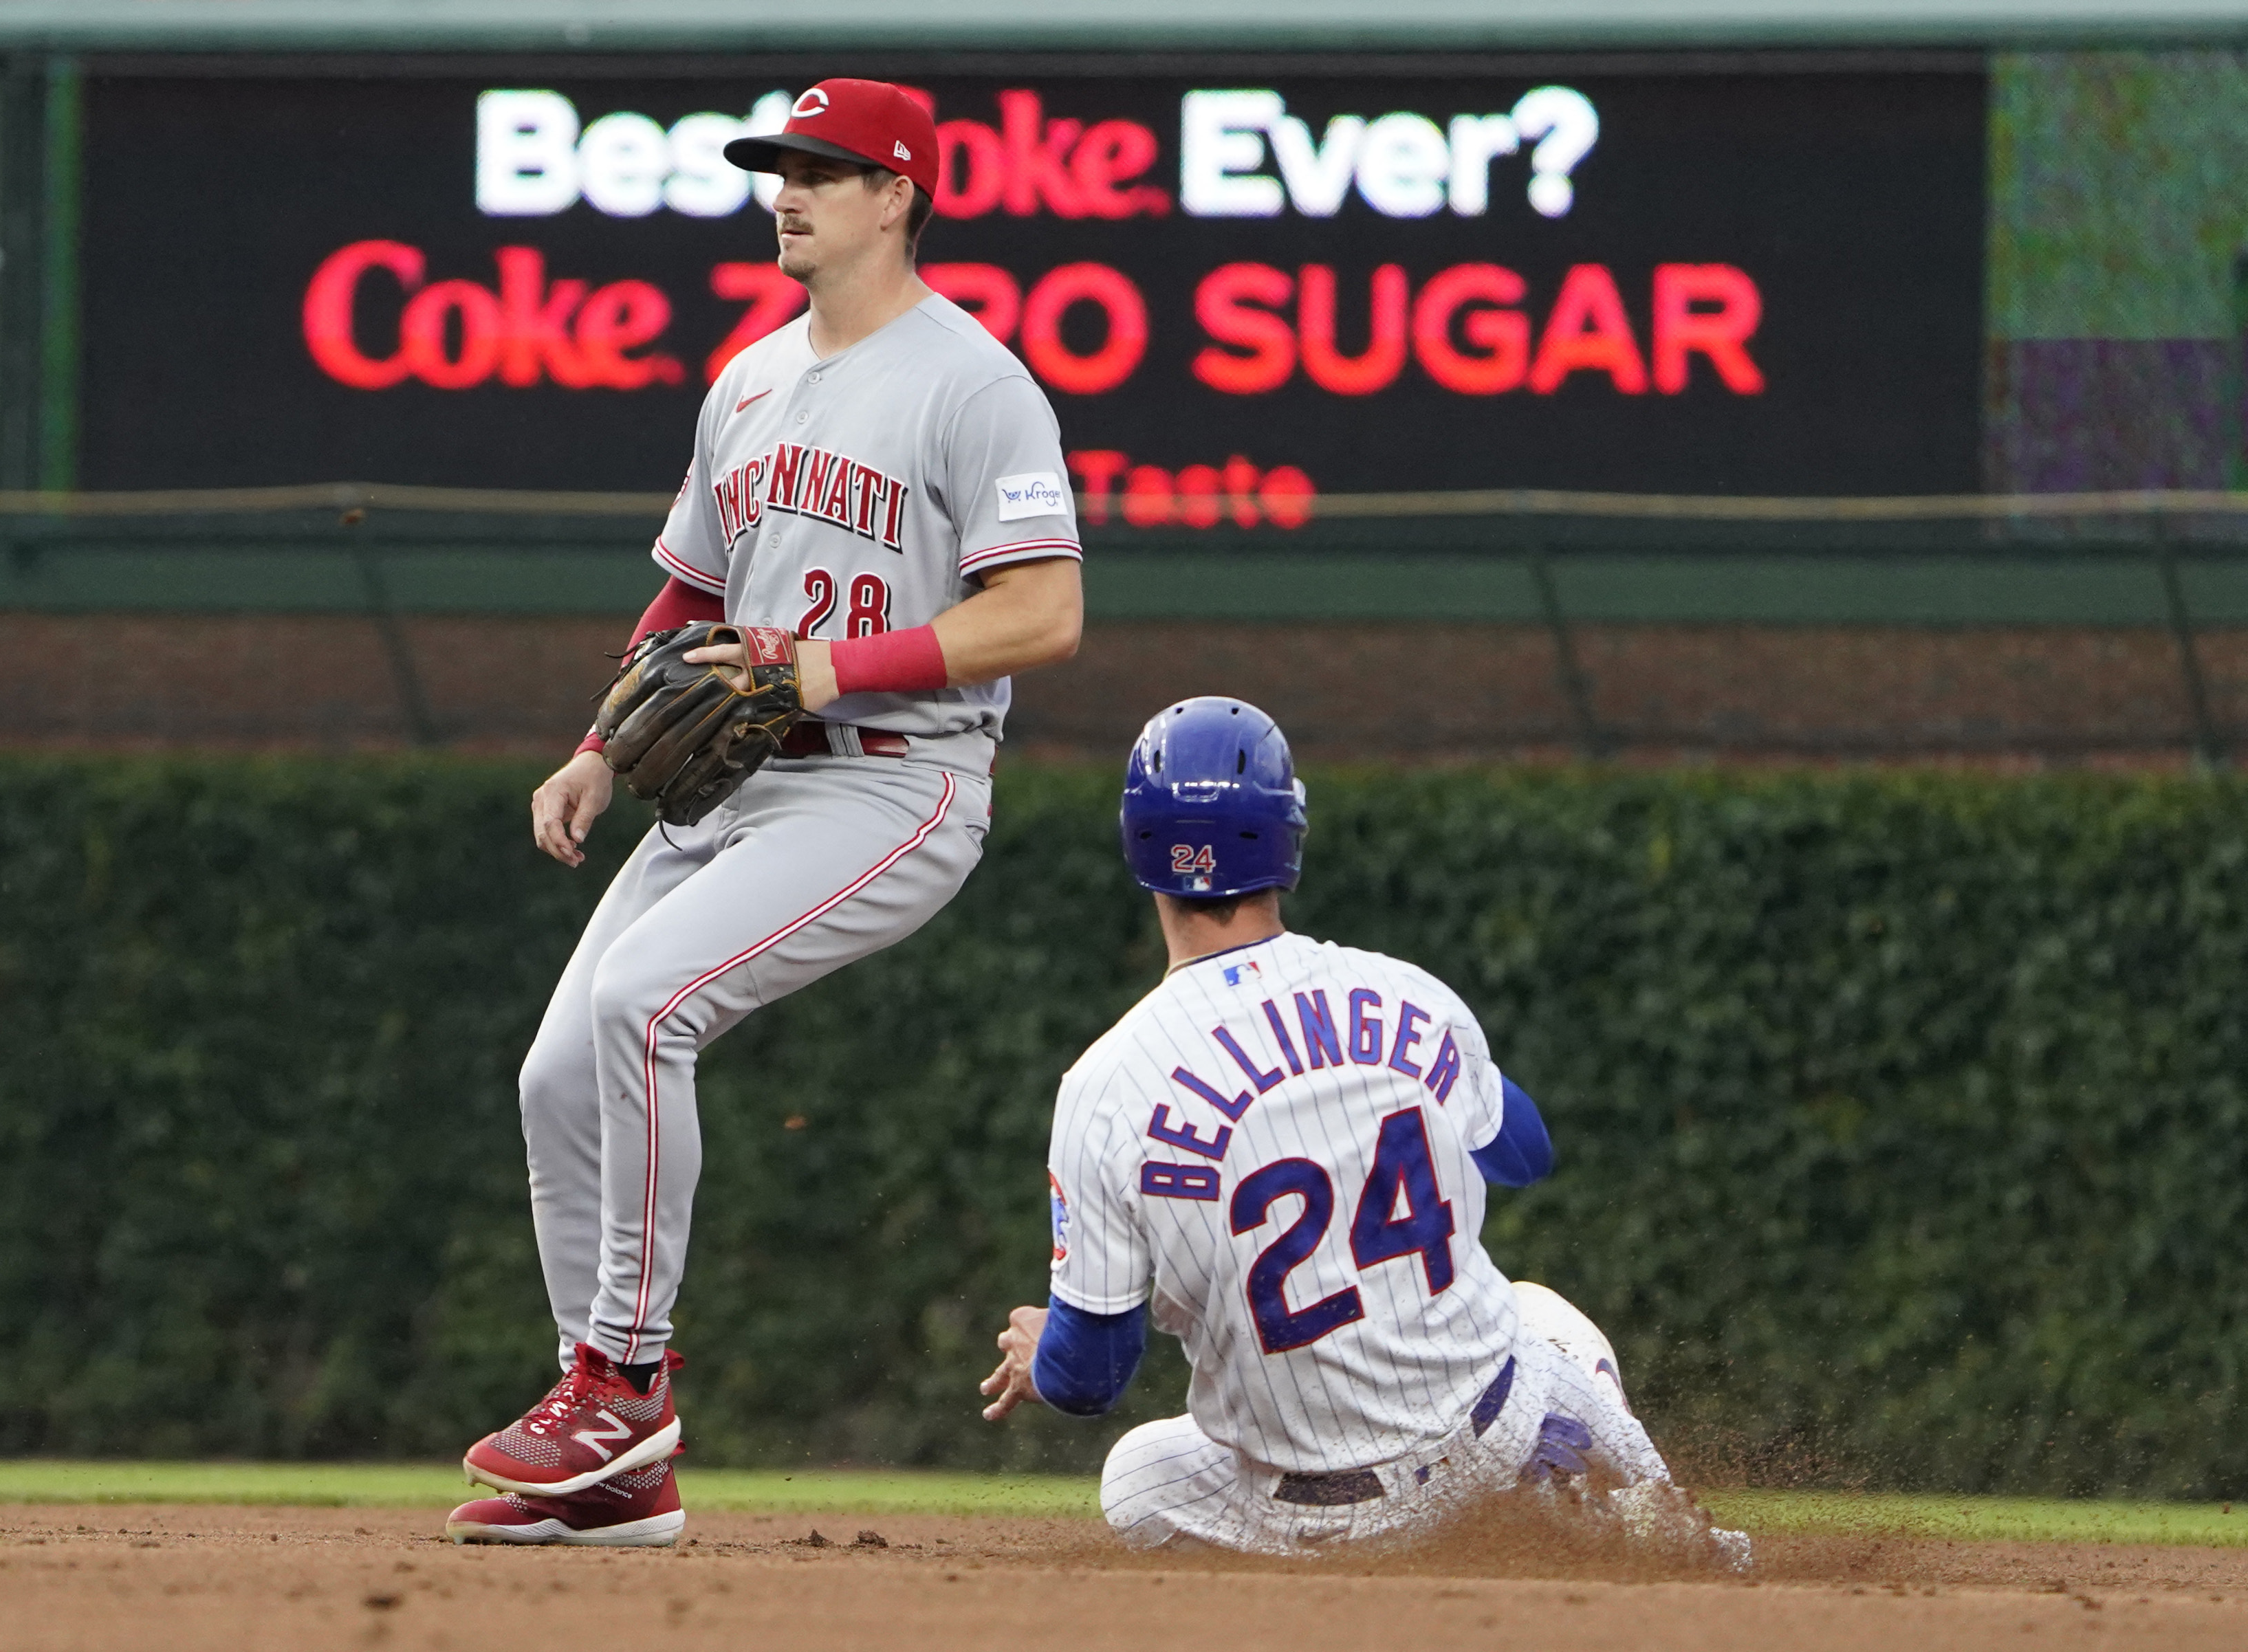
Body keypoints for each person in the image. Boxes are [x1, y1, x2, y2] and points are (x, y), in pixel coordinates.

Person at [448, 77, 1086, 1547]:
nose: (786, 190)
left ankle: (623, 1378)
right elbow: (689, 587)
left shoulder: (972, 382)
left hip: (893, 775)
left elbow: (1043, 611)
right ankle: (610, 1465)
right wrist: (600, 744)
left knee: (647, 1006)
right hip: (731, 780)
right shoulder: (745, 378)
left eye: (822, 168)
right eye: (777, 166)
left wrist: (832, 663)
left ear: (898, 195)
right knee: (557, 1071)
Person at [977, 698, 1746, 1565]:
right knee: (1537, 1311)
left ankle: (1373, 1584)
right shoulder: (1402, 994)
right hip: (1495, 1439)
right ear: (1287, 834)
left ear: (1139, 846)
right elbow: (1525, 1156)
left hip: (1315, 1516)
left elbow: (1089, 1381)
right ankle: (1654, 1517)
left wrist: (1048, 1355)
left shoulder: (1104, 1083)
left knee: (1135, 1480)